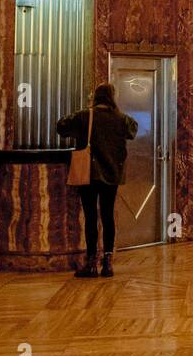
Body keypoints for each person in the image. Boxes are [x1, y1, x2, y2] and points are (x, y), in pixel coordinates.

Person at [57, 83, 138, 277]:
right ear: (112, 97)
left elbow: (61, 126)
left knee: (91, 217)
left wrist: (86, 109)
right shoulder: (121, 119)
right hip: (112, 175)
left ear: (95, 97)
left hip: (89, 174)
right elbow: (133, 131)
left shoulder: (85, 116)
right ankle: (108, 262)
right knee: (108, 216)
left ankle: (91, 262)